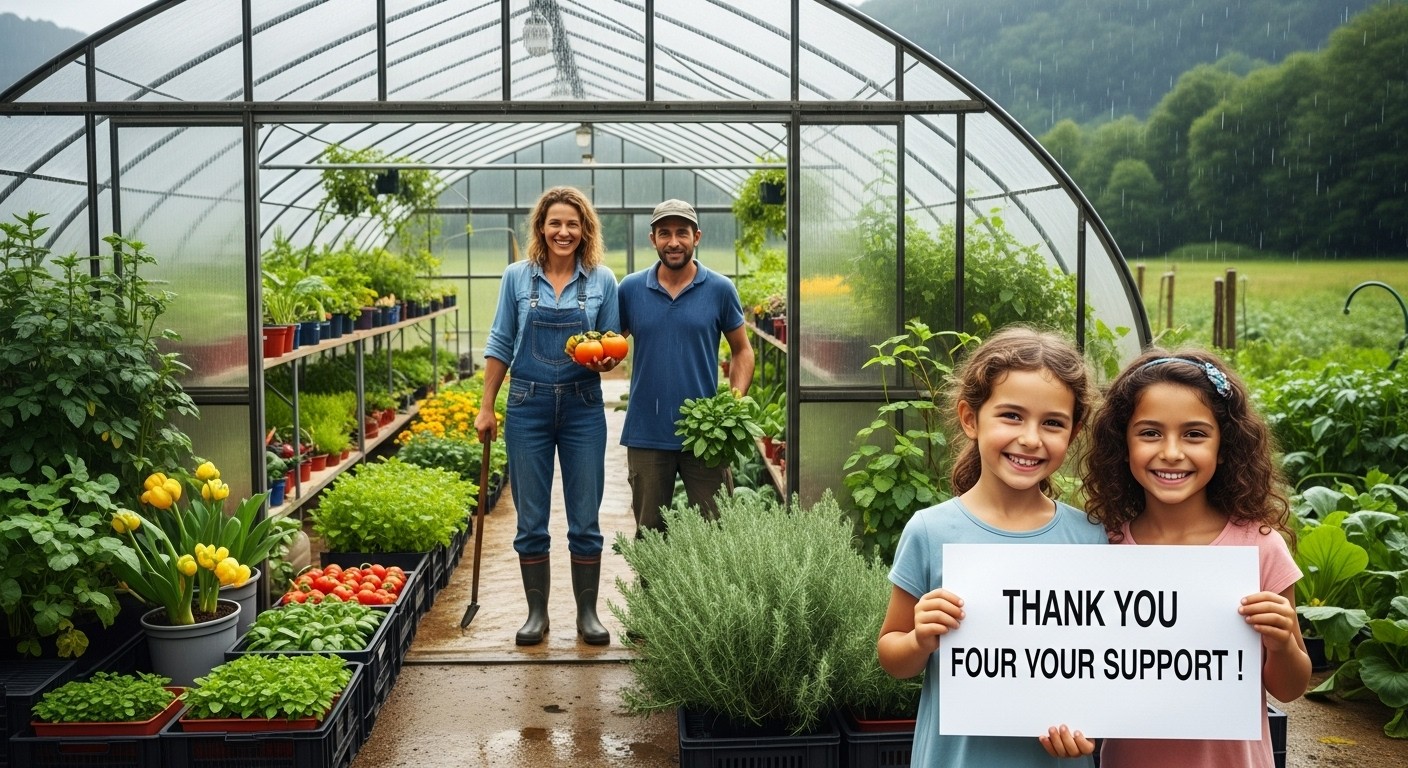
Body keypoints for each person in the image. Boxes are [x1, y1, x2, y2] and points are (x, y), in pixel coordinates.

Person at [877, 326, 1104, 767]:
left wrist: (1090, 726)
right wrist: (921, 638)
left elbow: (1108, 667)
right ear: (969, 418)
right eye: (1012, 416)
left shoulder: (1091, 537)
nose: (1031, 438)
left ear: (1073, 433)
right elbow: (892, 655)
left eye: (1052, 423)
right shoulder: (930, 531)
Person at [1075, 349, 1310, 768]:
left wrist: (1282, 643)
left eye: (1195, 434)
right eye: (1149, 433)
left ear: (1224, 448)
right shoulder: (1102, 547)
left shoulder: (1260, 546)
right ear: (1122, 444)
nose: (1171, 452)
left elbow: (1289, 688)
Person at [474, 186, 622, 647]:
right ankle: (536, 614)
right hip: (527, 405)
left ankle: (588, 614)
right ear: (541, 227)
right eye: (555, 223)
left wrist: (607, 361)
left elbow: (614, 343)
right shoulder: (517, 277)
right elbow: (501, 343)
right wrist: (486, 406)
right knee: (531, 517)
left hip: (582, 405)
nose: (563, 231)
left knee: (584, 517)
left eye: (572, 224)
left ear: (585, 230)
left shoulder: (602, 280)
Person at [617, 199, 755, 534]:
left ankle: (713, 591)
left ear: (697, 236)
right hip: (647, 432)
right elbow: (612, 346)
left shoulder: (720, 289)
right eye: (665, 233)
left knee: (714, 532)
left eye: (682, 232)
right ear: (653, 239)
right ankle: (650, 590)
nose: (674, 241)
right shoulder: (631, 289)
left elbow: (743, 351)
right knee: (650, 533)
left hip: (704, 434)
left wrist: (731, 406)